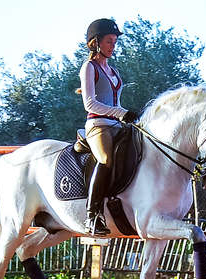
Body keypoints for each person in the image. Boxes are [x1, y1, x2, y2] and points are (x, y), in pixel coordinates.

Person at [79, 18, 138, 236]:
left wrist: (129, 117)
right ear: (96, 43)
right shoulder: (89, 67)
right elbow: (90, 103)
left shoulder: (114, 71)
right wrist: (121, 113)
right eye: (109, 41)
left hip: (116, 125)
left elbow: (116, 103)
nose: (113, 46)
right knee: (106, 159)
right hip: (98, 125)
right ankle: (92, 216)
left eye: (114, 42)